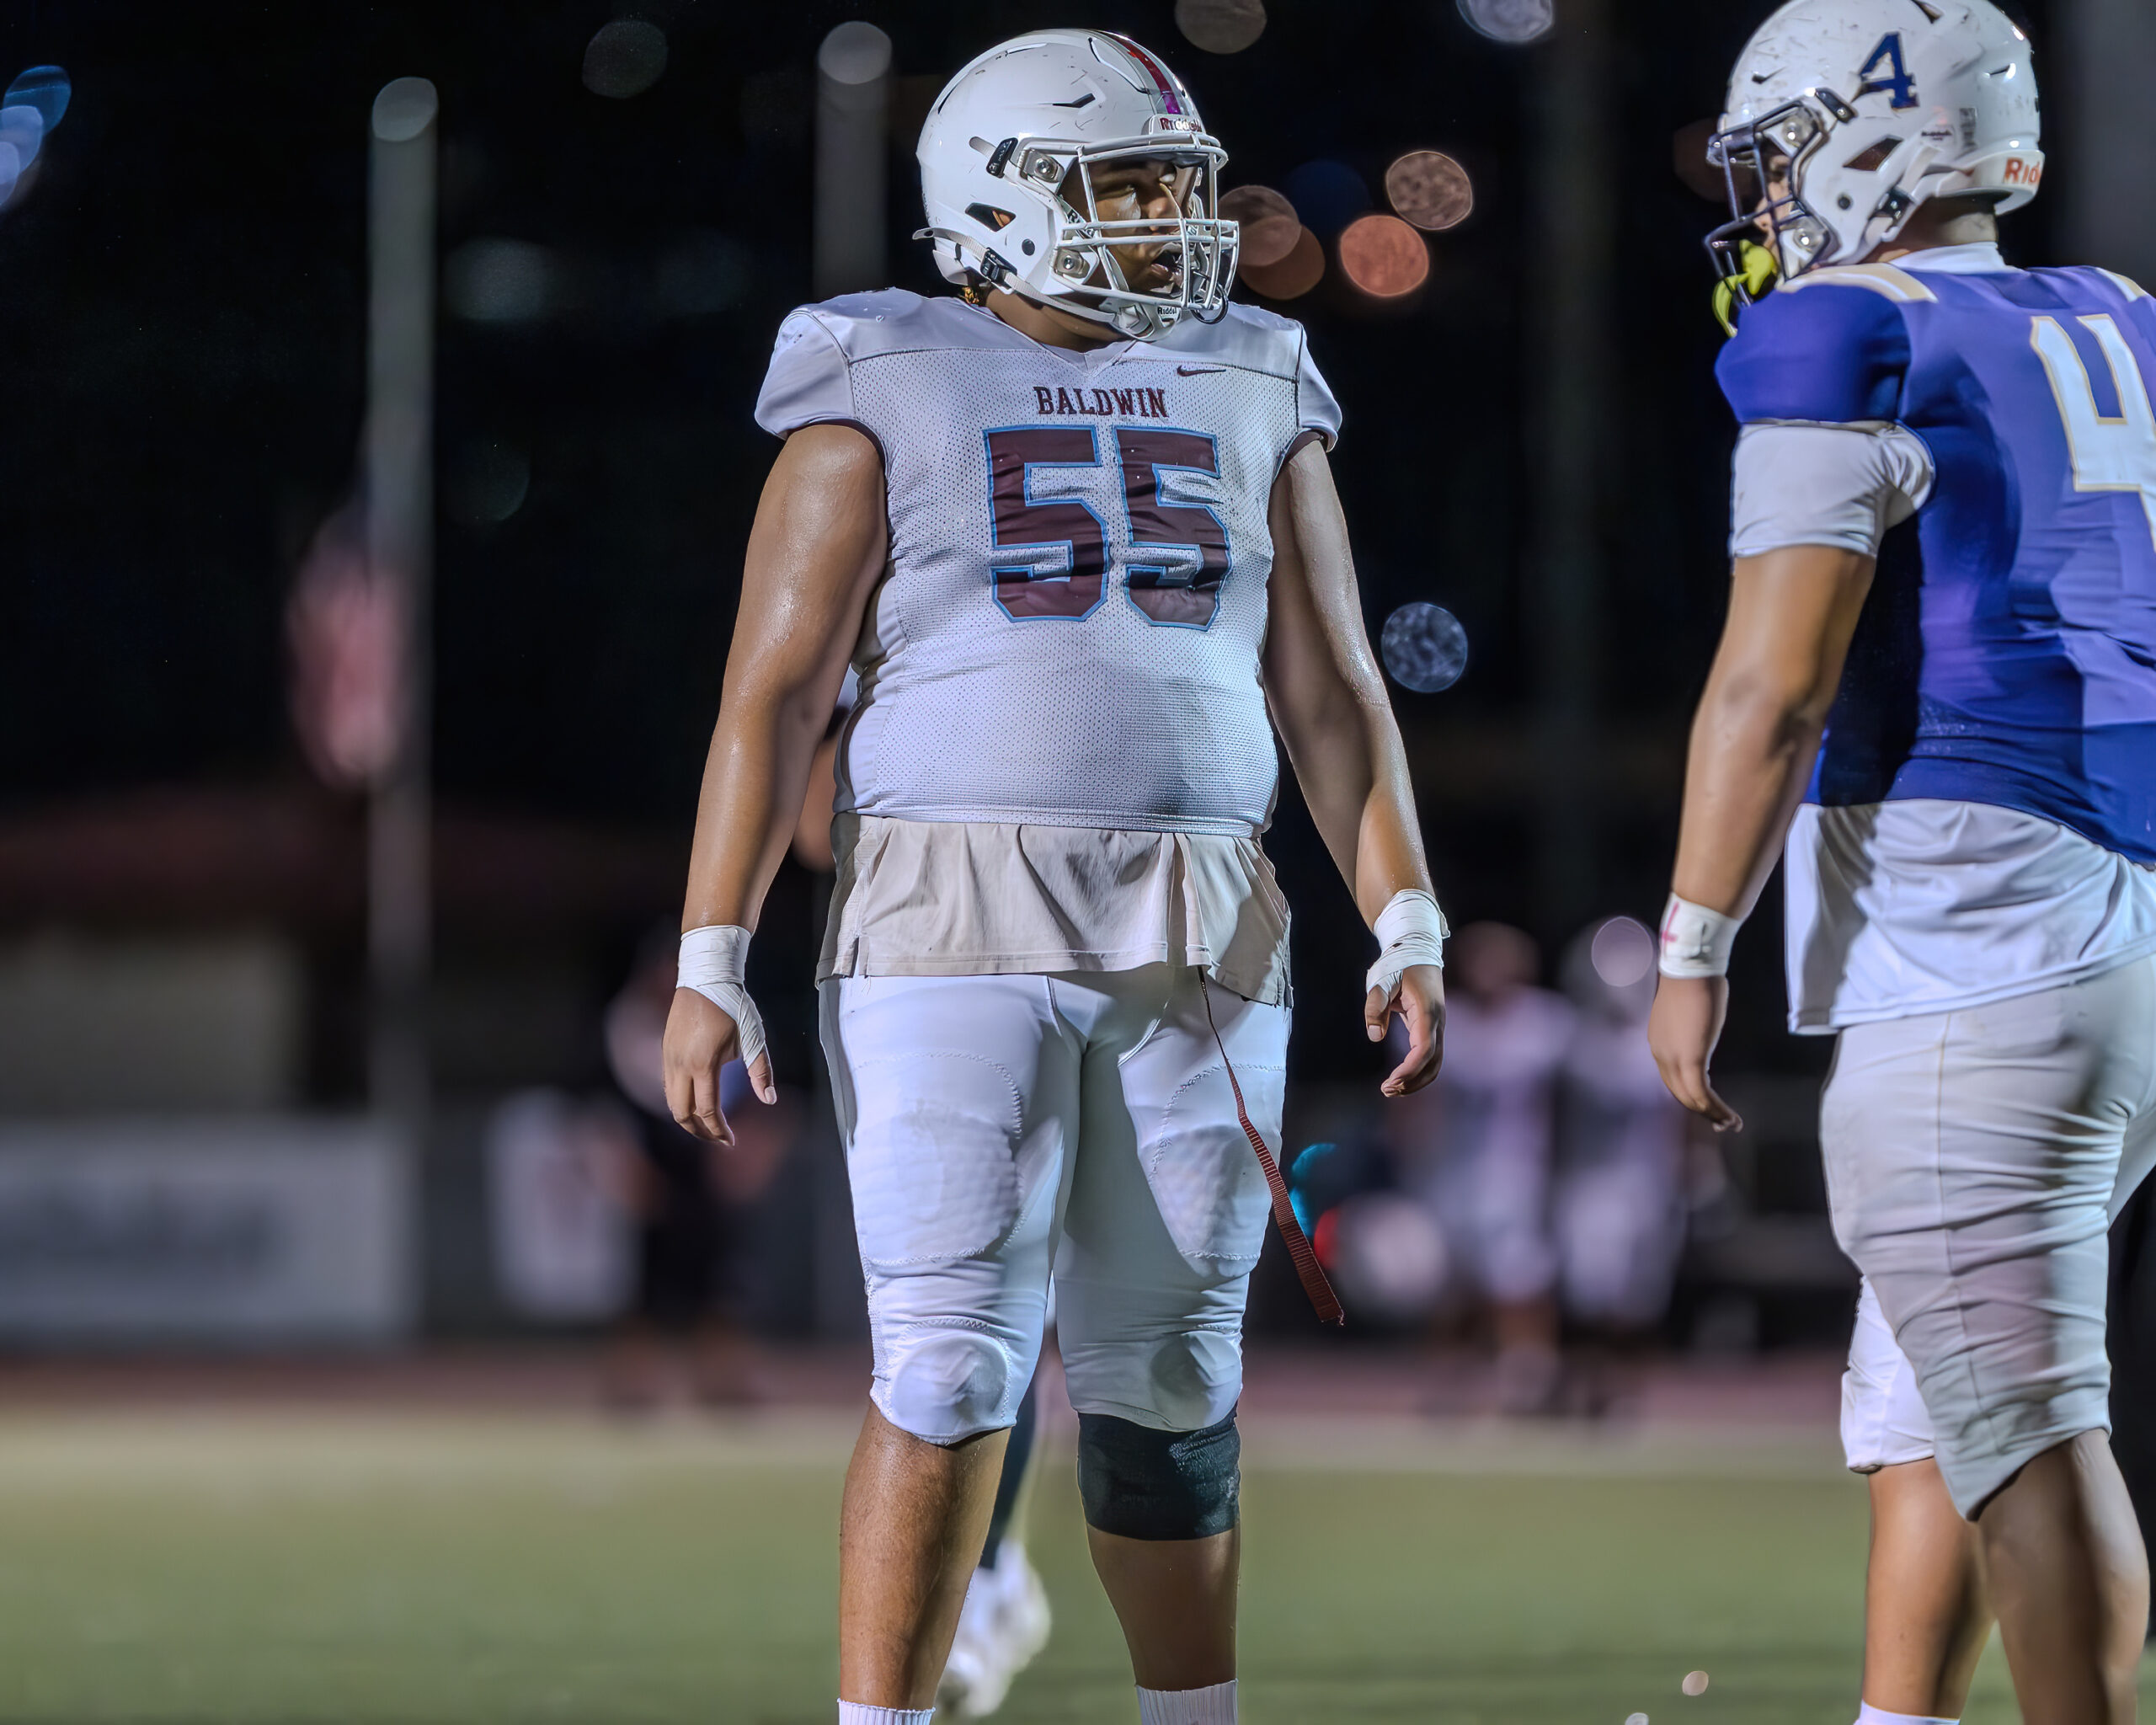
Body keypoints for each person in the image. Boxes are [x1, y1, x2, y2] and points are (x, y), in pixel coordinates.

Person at [660, 30, 1448, 1725]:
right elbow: (771, 694)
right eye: (1125, 189)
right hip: (943, 912)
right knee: (945, 1358)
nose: (1169, 222)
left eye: (1174, 185)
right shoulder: (880, 377)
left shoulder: (1253, 377)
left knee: (1171, 1375)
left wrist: (1405, 910)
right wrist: (707, 948)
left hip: (1205, 914)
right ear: (992, 202)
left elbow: (1327, 689)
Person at [1649, 4, 2156, 1721]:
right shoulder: (2113, 311)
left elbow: (1768, 678)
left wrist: (1686, 943)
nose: (1768, 196)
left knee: (2018, 1413)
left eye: (1783, 150)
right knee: (1933, 1397)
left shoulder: (1841, 329)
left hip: (1977, 916)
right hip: (2113, 894)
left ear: (1877, 136)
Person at [1386, 921, 1572, 1413]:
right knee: (1449, 1287)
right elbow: (1407, 1103)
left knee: (1520, 1281)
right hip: (1450, 1175)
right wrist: (1408, 1161)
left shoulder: (1546, 1025)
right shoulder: (1444, 1024)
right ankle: (1450, 1382)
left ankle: (1528, 1380)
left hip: (1518, 1177)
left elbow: (1569, 1105)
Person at [1555, 916, 1687, 1409]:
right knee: (1588, 1295)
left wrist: (1694, 1173)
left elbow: (1682, 1118)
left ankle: (1627, 1392)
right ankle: (1586, 1384)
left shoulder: (1662, 1043)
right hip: (1589, 1183)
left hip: (1648, 1185)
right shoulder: (1575, 1044)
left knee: (1638, 1298)